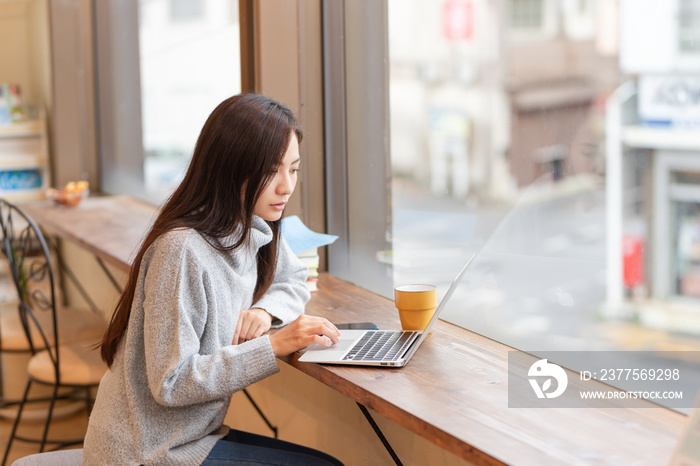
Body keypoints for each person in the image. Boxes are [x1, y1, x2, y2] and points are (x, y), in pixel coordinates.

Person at [83, 93, 343, 465]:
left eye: (294, 169)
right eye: (272, 170)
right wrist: (273, 346)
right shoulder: (182, 250)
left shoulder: (253, 225)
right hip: (145, 453)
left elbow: (295, 277)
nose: (286, 186)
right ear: (229, 167)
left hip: (189, 437)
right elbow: (170, 382)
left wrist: (266, 312)